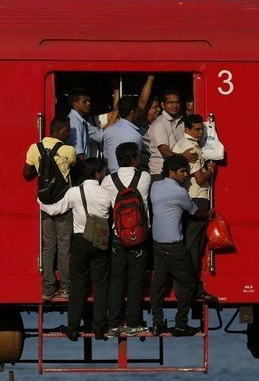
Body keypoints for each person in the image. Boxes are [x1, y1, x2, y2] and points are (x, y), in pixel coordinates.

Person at [39, 158, 111, 341]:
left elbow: (56, 210)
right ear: (97, 174)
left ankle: (72, 327)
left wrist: (40, 201)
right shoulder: (106, 193)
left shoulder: (74, 192)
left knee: (78, 285)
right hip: (101, 239)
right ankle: (99, 327)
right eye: (103, 171)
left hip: (80, 240)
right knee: (100, 286)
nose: (104, 174)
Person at [150, 154, 213, 337]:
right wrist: (208, 214)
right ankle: (181, 324)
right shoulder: (180, 192)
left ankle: (157, 323)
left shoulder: (156, 186)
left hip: (157, 245)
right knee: (188, 283)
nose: (186, 174)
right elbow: (194, 212)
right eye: (183, 171)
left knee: (158, 285)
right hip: (175, 247)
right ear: (172, 172)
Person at [23, 117, 77, 300]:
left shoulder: (34, 148)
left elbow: (26, 174)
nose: (69, 134)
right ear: (60, 130)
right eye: (68, 130)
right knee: (64, 248)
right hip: (64, 206)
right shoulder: (68, 150)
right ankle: (67, 288)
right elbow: (74, 168)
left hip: (45, 206)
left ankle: (47, 288)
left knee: (48, 249)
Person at [101, 142, 151, 337]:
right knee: (135, 281)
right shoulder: (144, 178)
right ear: (134, 159)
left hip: (117, 237)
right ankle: (132, 323)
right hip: (140, 238)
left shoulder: (107, 181)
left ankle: (113, 324)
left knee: (116, 281)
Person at [173, 114, 217, 299]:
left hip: (185, 198)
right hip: (197, 198)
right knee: (194, 247)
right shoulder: (192, 148)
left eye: (202, 129)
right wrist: (211, 169)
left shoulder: (181, 145)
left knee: (189, 245)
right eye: (197, 129)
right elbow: (199, 179)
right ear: (187, 129)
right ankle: (192, 287)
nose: (200, 133)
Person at [148, 89, 197, 181]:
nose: (174, 105)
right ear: (163, 105)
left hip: (177, 173)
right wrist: (183, 157)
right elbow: (165, 150)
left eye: (177, 102)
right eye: (170, 102)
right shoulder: (159, 123)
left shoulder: (181, 123)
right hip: (160, 173)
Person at [103, 97, 143, 174]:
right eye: (137, 110)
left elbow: (106, 159)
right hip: (129, 178)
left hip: (111, 177)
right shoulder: (136, 135)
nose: (138, 113)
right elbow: (136, 161)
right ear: (132, 112)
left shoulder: (108, 131)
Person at [67, 88, 104, 161]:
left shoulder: (81, 121)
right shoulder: (75, 122)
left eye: (89, 101)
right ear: (75, 104)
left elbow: (100, 135)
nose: (89, 103)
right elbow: (78, 153)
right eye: (84, 101)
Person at [135, 75, 161, 171]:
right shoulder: (137, 125)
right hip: (141, 171)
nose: (158, 110)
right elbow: (142, 102)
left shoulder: (160, 125)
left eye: (159, 107)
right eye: (154, 107)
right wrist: (150, 78)